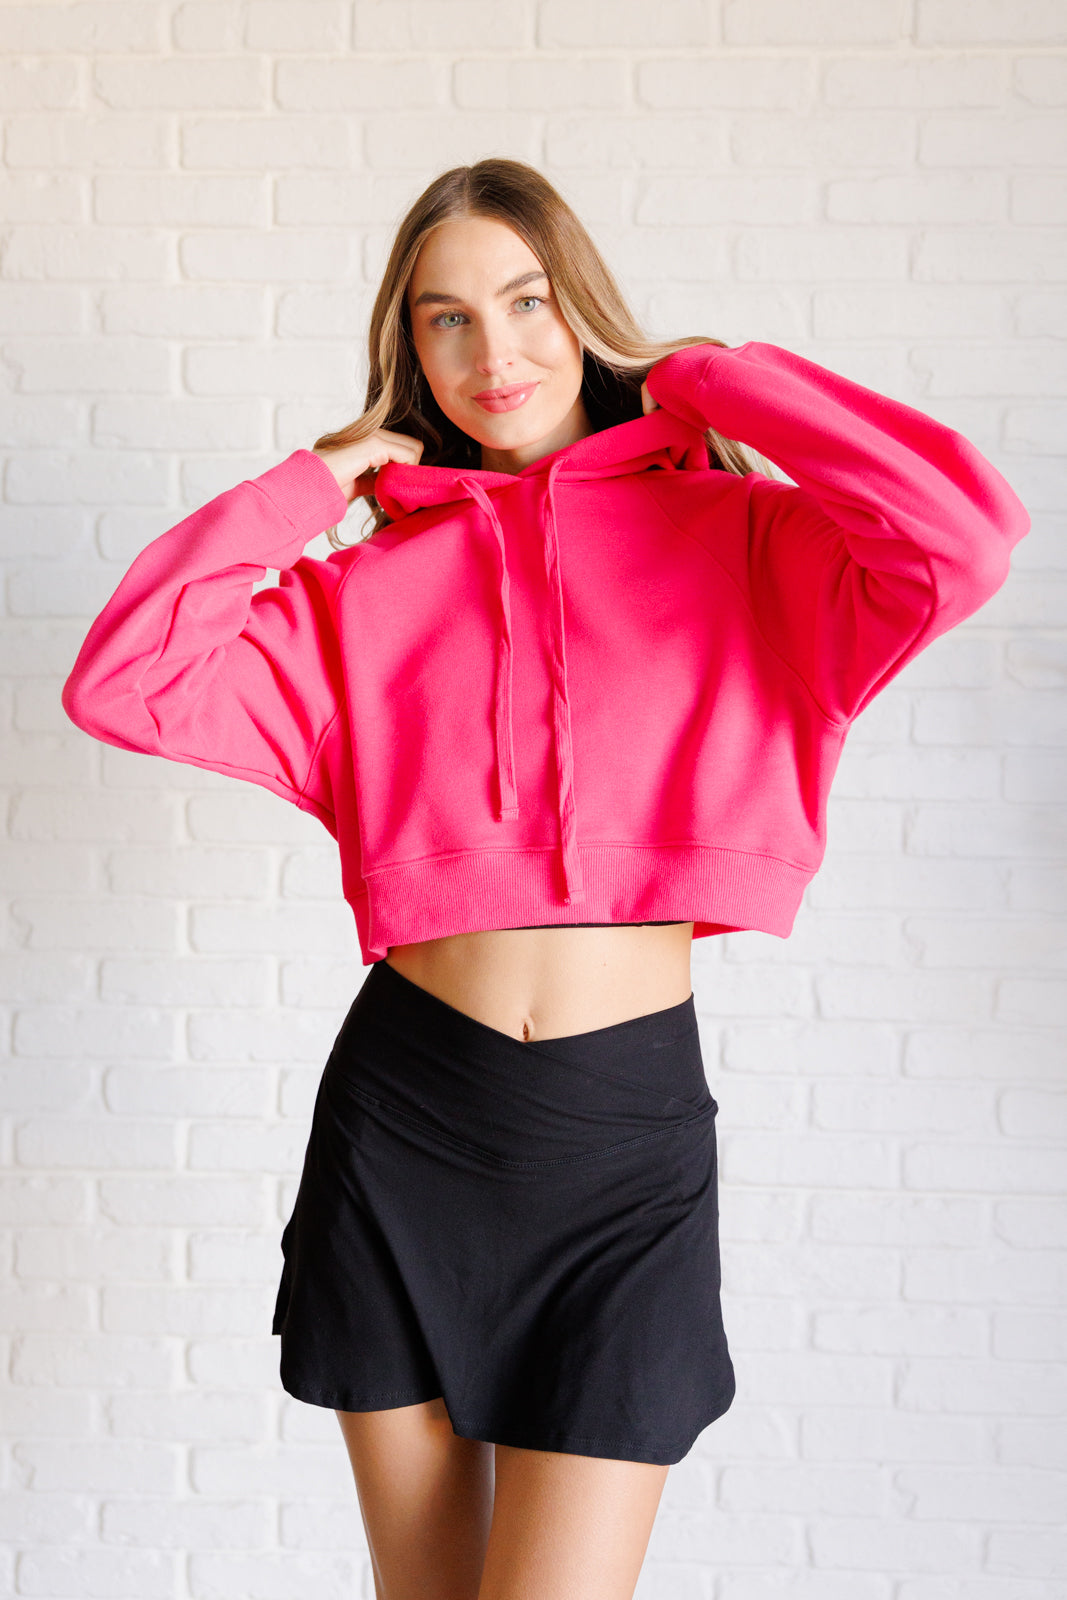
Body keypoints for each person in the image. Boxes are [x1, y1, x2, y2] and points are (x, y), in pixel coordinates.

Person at [61, 158, 1030, 1600]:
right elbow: (123, 679)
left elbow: (966, 533)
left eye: (527, 303)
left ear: (584, 311)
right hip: (405, 1120)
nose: (493, 352)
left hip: (621, 1145)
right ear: (411, 352)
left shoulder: (749, 542)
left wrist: (704, 377)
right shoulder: (358, 592)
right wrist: (314, 482)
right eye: (446, 319)